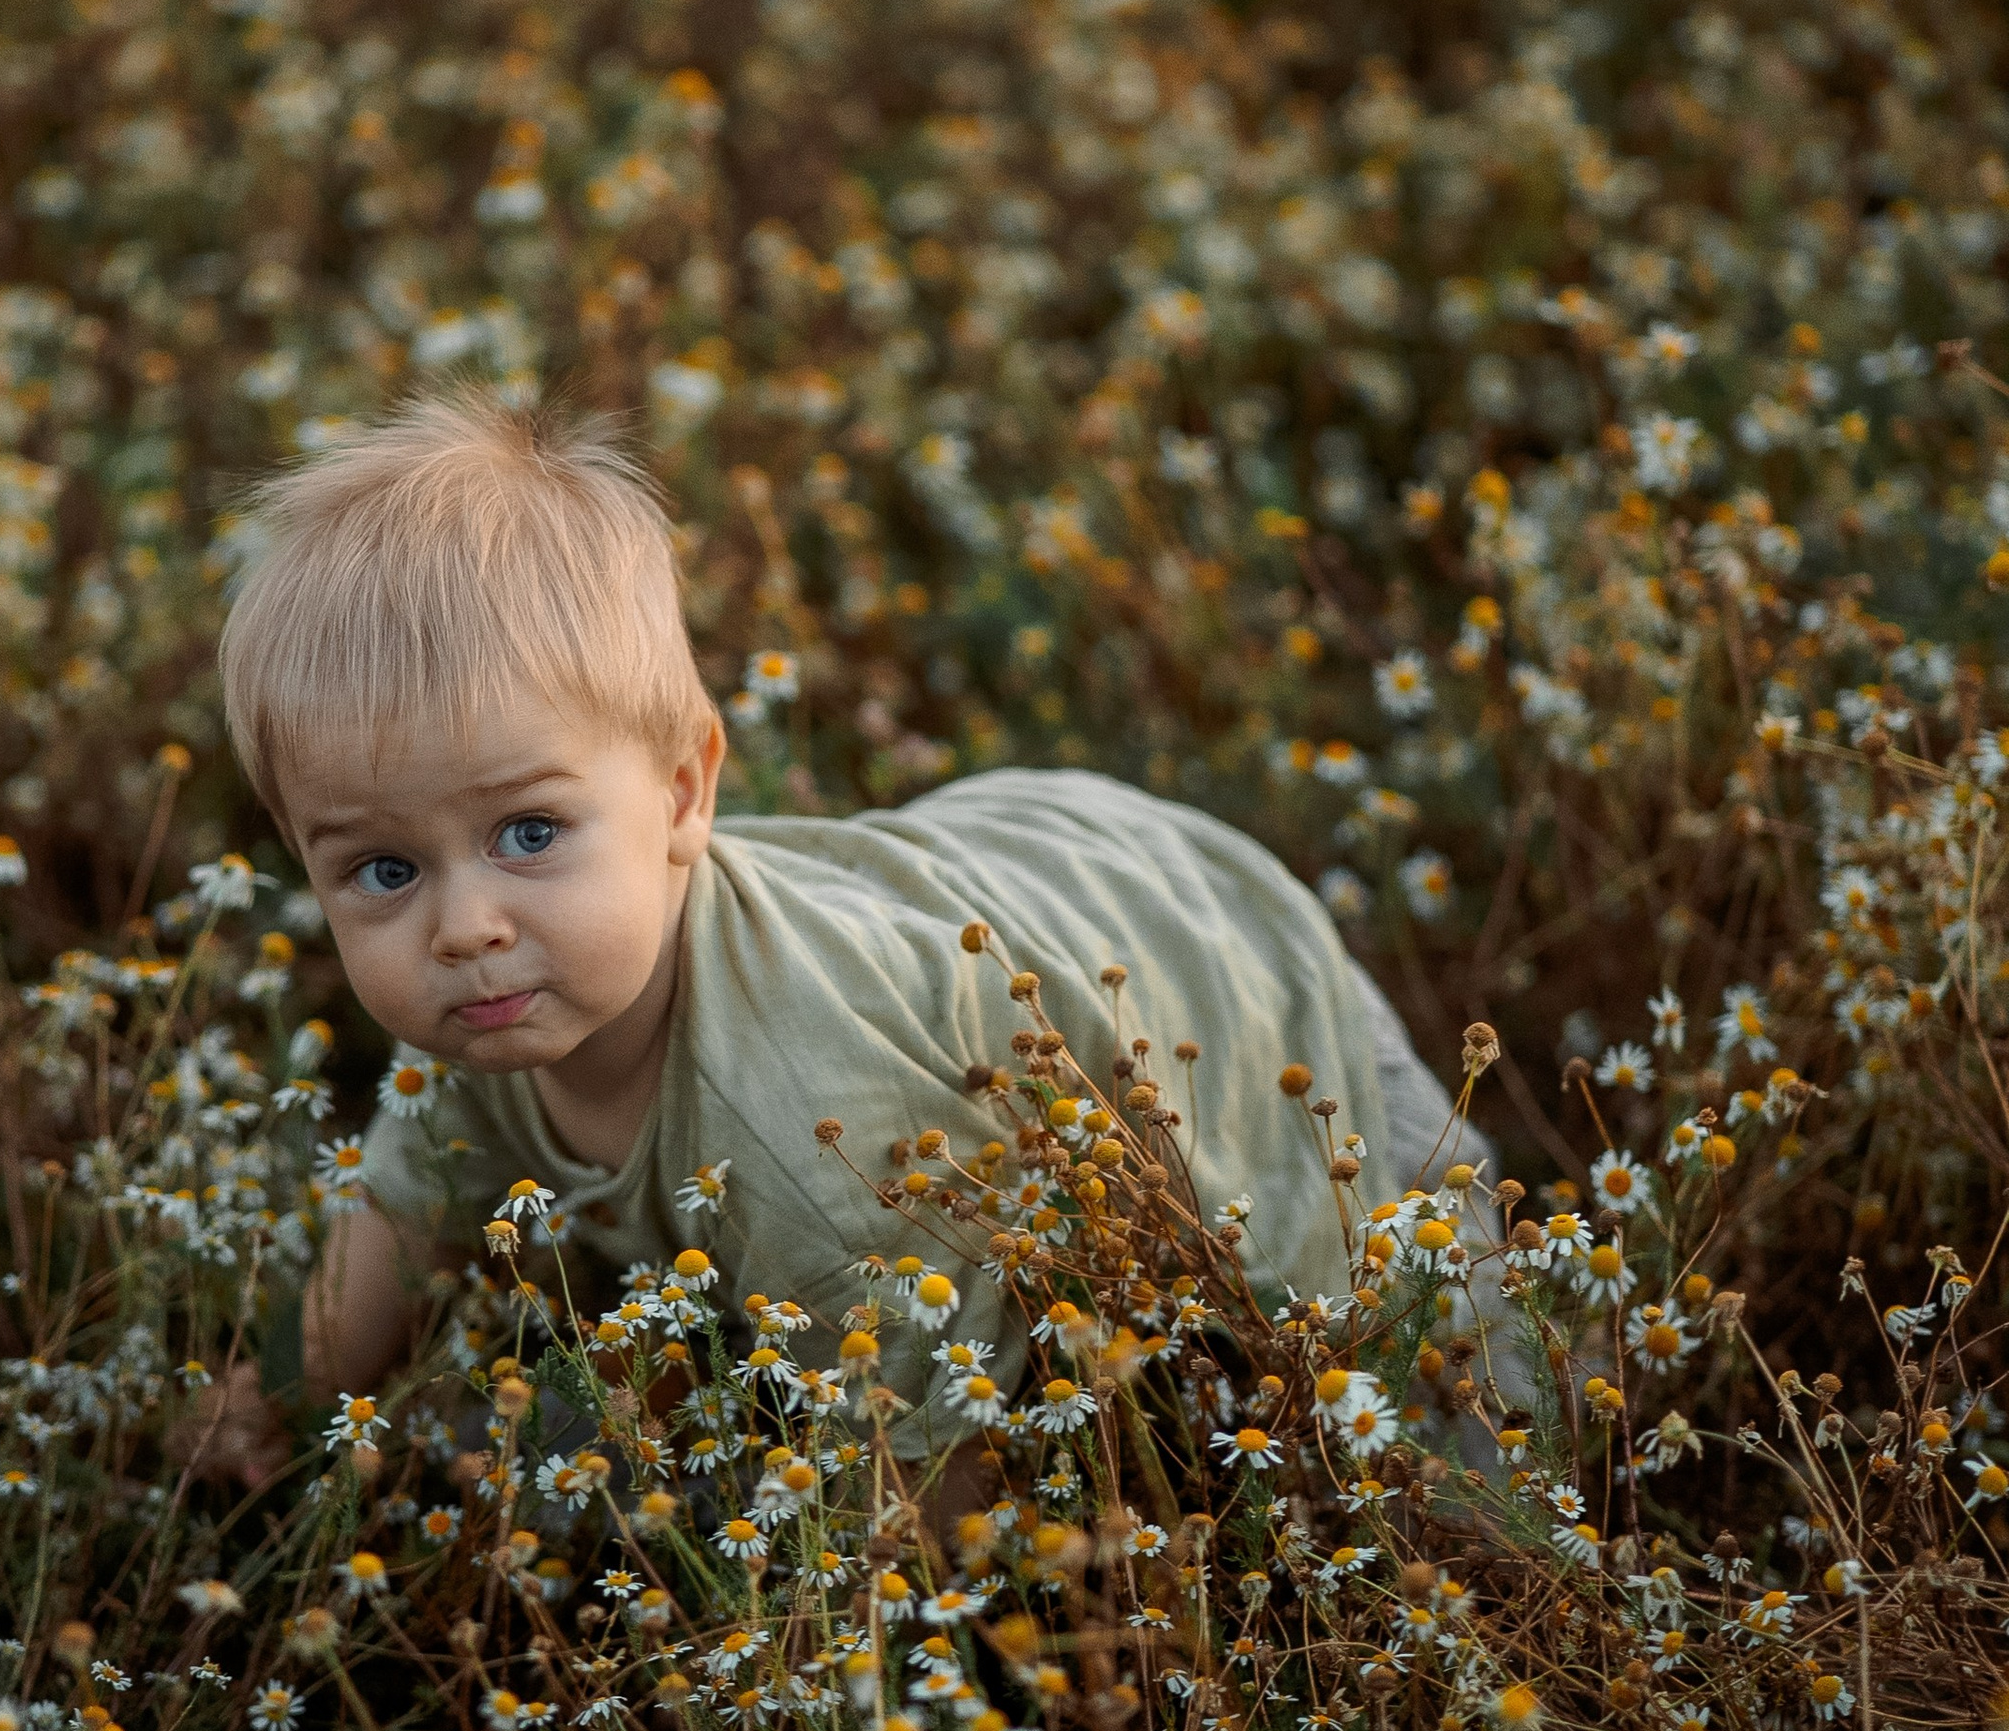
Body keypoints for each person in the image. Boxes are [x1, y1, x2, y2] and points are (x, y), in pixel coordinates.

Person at [218, 394, 1491, 1426]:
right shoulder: (496, 1000)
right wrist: (281, 1404)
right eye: (383, 870)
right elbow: (405, 1207)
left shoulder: (804, 1122)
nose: (462, 923)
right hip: (1007, 873)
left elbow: (932, 1446)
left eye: (529, 833)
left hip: (1215, 966)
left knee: (1442, 1345)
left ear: (682, 794)